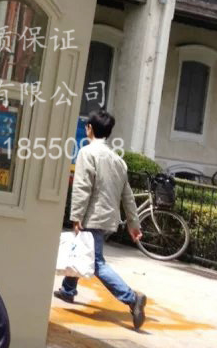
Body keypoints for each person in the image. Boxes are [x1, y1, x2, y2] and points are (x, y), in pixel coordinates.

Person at [54, 109, 147, 330]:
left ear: (89, 128)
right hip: (108, 219)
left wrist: (76, 216)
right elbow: (127, 195)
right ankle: (68, 289)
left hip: (92, 216)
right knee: (83, 250)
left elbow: (82, 187)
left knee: (96, 263)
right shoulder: (118, 160)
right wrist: (134, 224)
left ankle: (132, 298)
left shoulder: (87, 153)